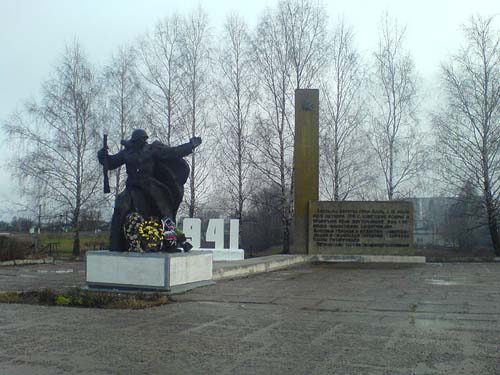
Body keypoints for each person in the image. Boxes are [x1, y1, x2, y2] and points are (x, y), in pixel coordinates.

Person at [97, 129, 202, 251]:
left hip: (151, 187)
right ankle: (115, 244)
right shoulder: (127, 153)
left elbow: (173, 152)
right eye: (139, 140)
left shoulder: (153, 149)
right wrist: (102, 156)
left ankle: (171, 244)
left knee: (165, 215)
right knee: (120, 205)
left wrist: (190, 145)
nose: (142, 142)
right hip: (133, 188)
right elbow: (111, 162)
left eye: (143, 140)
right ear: (135, 141)